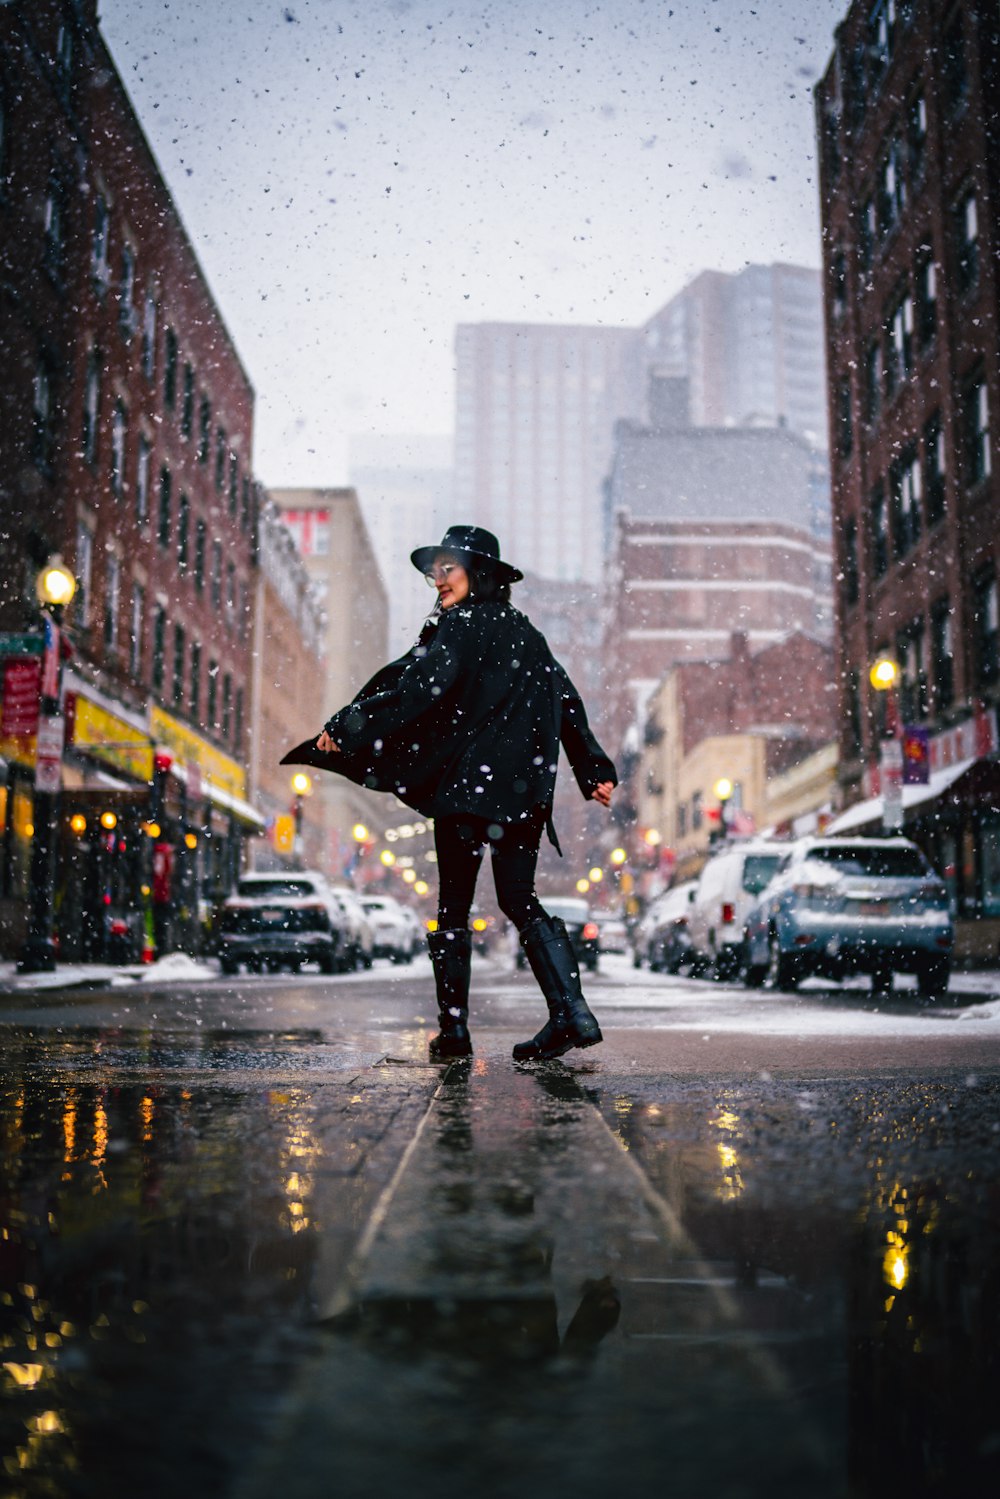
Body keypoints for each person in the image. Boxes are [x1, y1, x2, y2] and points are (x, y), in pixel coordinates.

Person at [281, 525, 617, 1063]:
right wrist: (592, 766)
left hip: (468, 791)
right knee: (519, 899)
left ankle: (455, 1033)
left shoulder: (460, 626)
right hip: (524, 793)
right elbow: (566, 699)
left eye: (448, 569)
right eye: (433, 572)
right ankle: (571, 1012)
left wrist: (350, 724)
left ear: (477, 573)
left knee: (454, 907)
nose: (437, 581)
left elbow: (421, 687)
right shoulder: (527, 634)